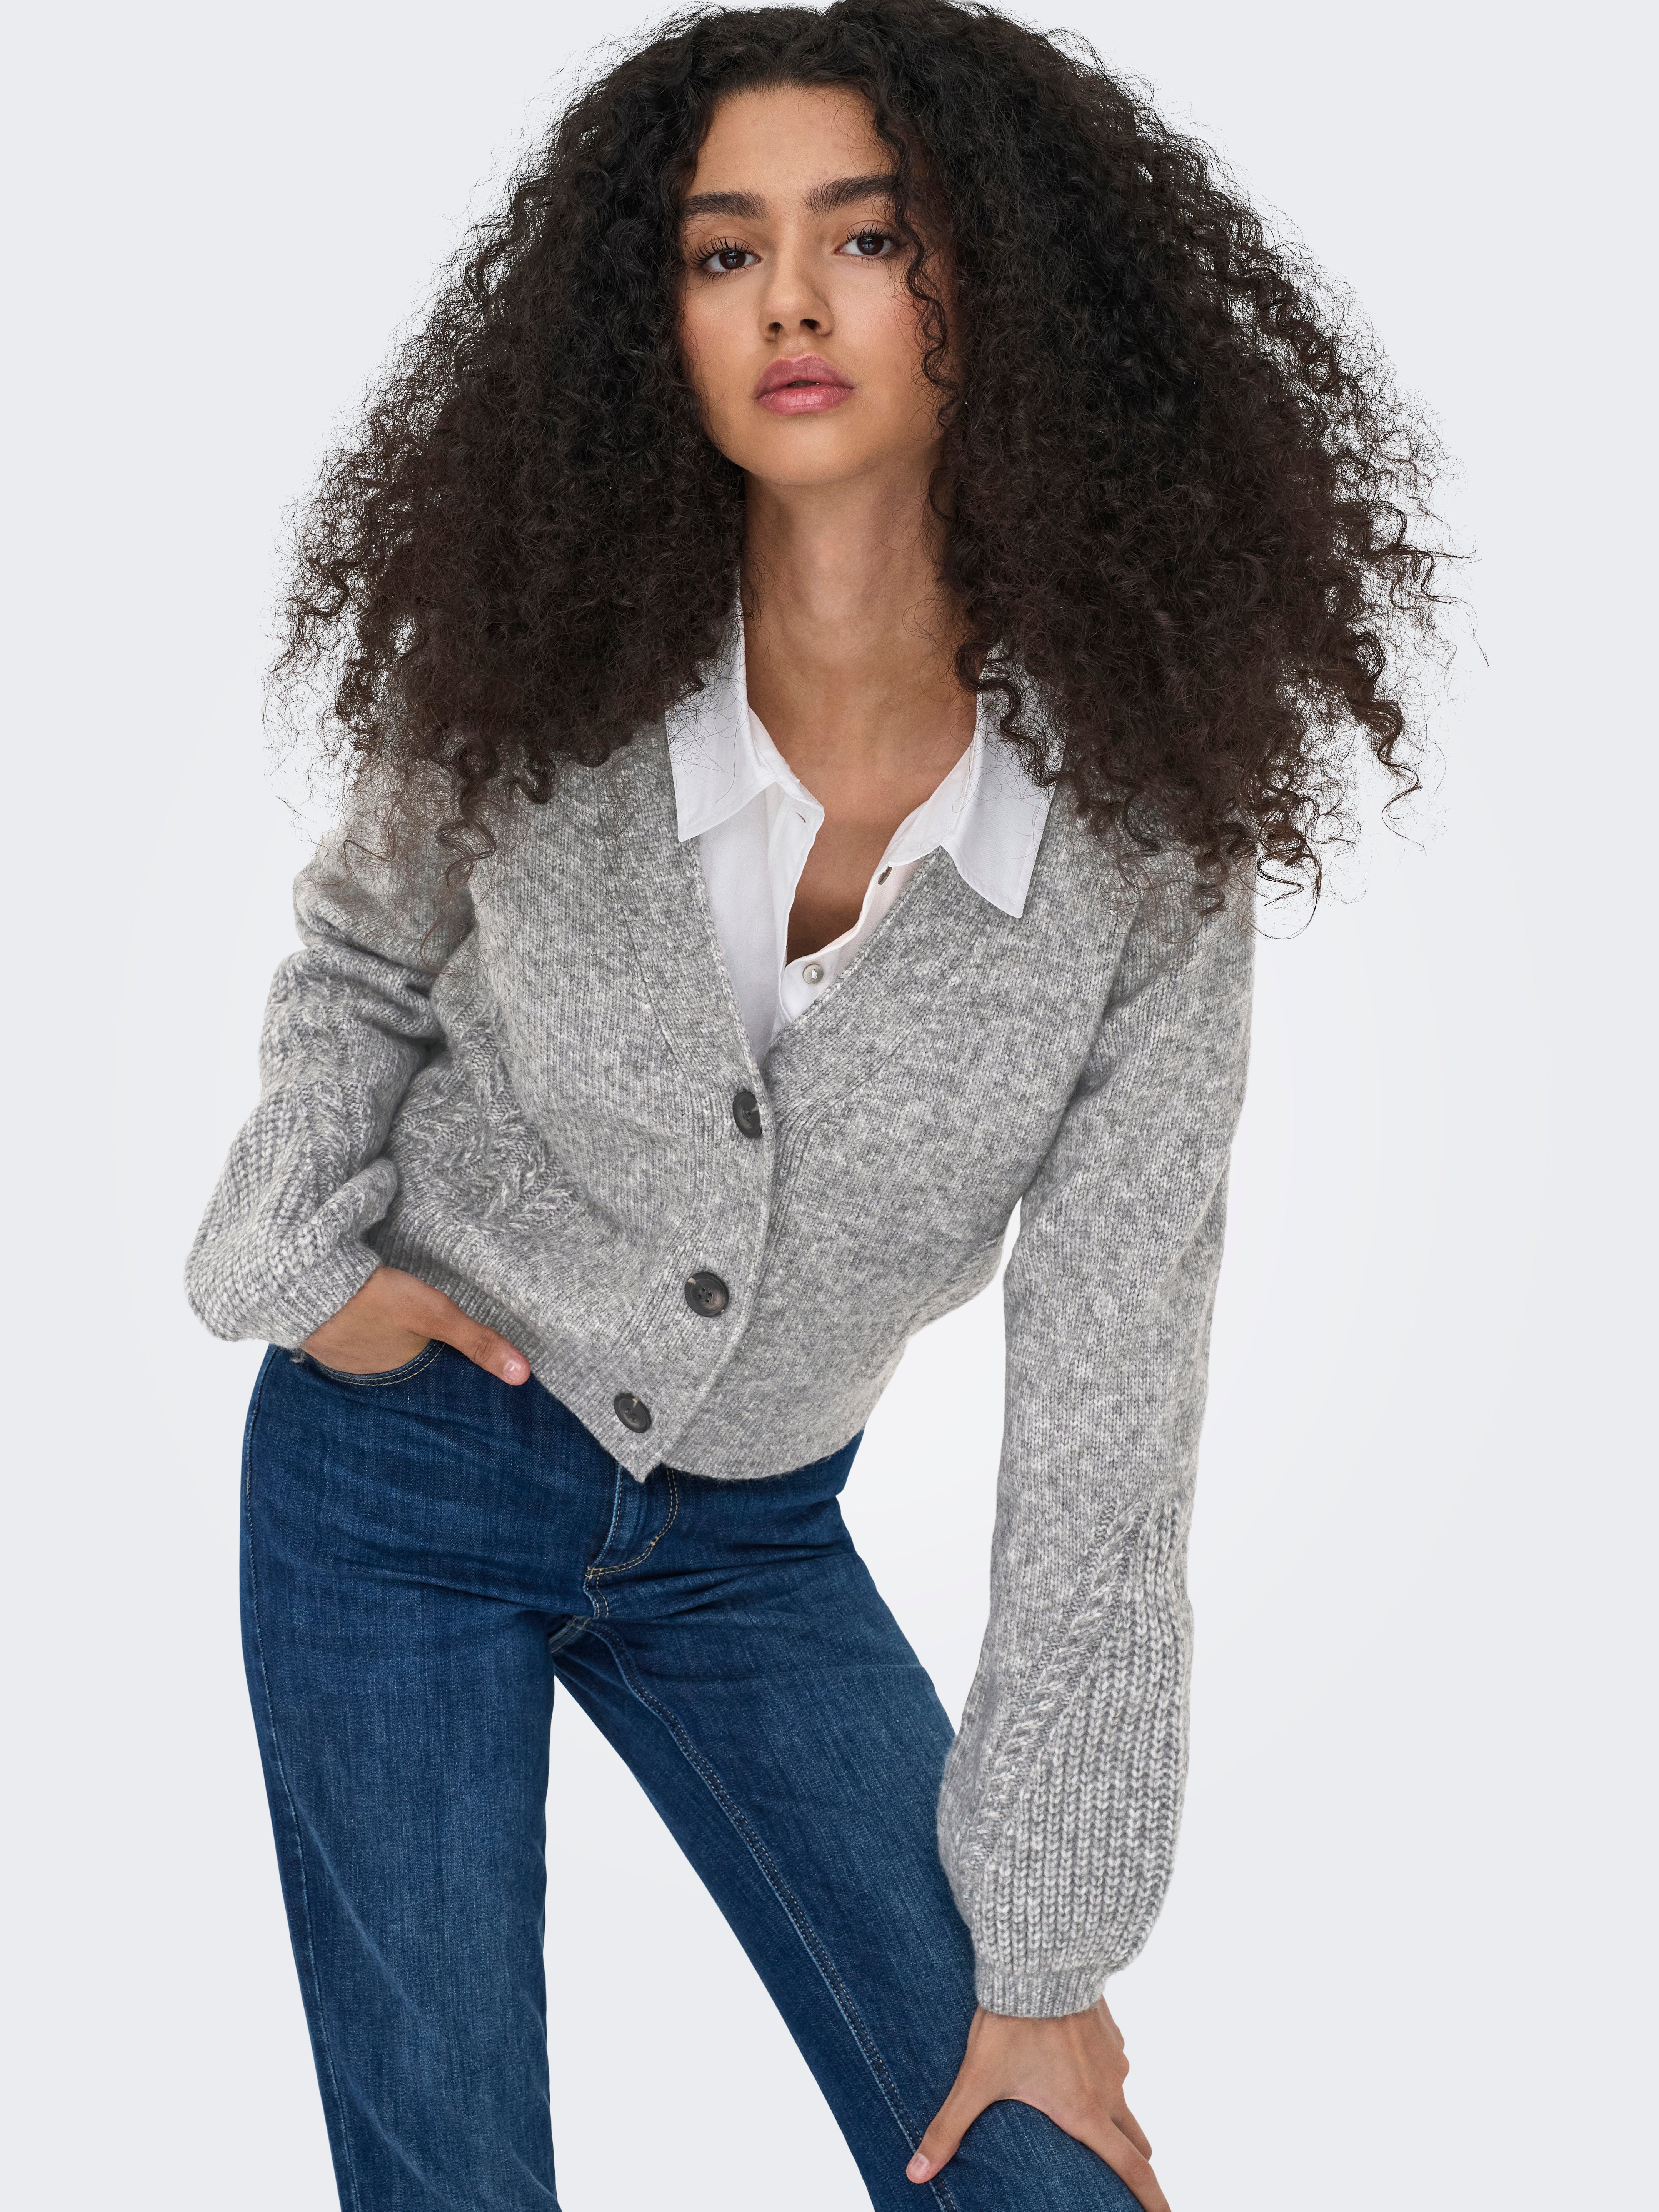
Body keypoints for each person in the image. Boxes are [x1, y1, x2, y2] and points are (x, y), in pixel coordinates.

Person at [187, 4, 1445, 2205]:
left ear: (1003, 291)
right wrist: (297, 1266)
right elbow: (364, 960)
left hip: (751, 1539)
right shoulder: (538, 657)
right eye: (721, 251)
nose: (789, 300)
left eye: (866, 237)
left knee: (1036, 2175)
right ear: (649, 320)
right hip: (402, 1478)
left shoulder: (1141, 852)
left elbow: (1112, 1405)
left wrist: (1044, 1953)